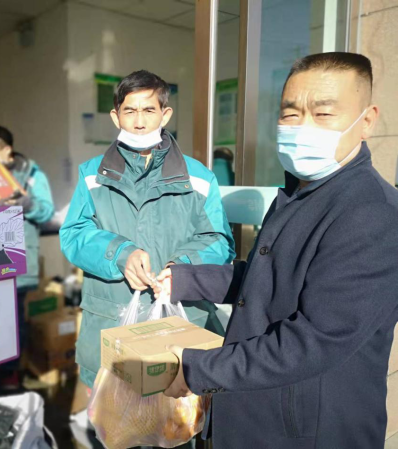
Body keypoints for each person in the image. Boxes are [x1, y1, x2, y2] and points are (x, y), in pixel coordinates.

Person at [156, 52, 398, 448]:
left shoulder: (371, 213)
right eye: (290, 114)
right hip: (257, 415)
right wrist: (185, 279)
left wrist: (198, 369)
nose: (303, 127)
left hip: (307, 431)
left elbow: (315, 339)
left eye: (323, 114)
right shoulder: (301, 192)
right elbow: (268, 281)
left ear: (367, 121)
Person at [60, 70, 235, 390]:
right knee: (114, 417)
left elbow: (218, 240)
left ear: (165, 114)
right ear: (116, 116)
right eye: (130, 111)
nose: (139, 122)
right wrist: (119, 254)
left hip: (181, 325)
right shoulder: (92, 175)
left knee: (178, 416)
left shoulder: (199, 178)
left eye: (149, 110)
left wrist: (182, 268)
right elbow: (74, 234)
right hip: (112, 324)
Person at [0, 126, 55, 388]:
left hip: (14, 256)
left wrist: (27, 204)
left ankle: (11, 375)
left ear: (7, 150)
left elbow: (47, 211)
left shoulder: (32, 174)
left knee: (12, 319)